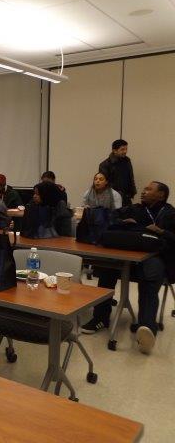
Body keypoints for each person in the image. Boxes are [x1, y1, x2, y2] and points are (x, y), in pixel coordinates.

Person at [81, 182, 175, 354]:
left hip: (155, 257)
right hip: (129, 257)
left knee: (150, 273)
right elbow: (112, 217)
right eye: (144, 188)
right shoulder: (136, 209)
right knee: (108, 268)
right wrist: (122, 222)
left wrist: (161, 232)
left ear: (161, 195)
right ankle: (100, 318)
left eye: (148, 189)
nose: (143, 192)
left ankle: (147, 328)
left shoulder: (170, 213)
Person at [99, 139, 136, 206]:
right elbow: (104, 184)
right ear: (114, 151)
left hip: (127, 197)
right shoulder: (105, 165)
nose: (125, 151)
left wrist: (132, 192)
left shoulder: (127, 161)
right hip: (112, 198)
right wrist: (117, 194)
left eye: (126, 149)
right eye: (122, 149)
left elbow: (131, 177)